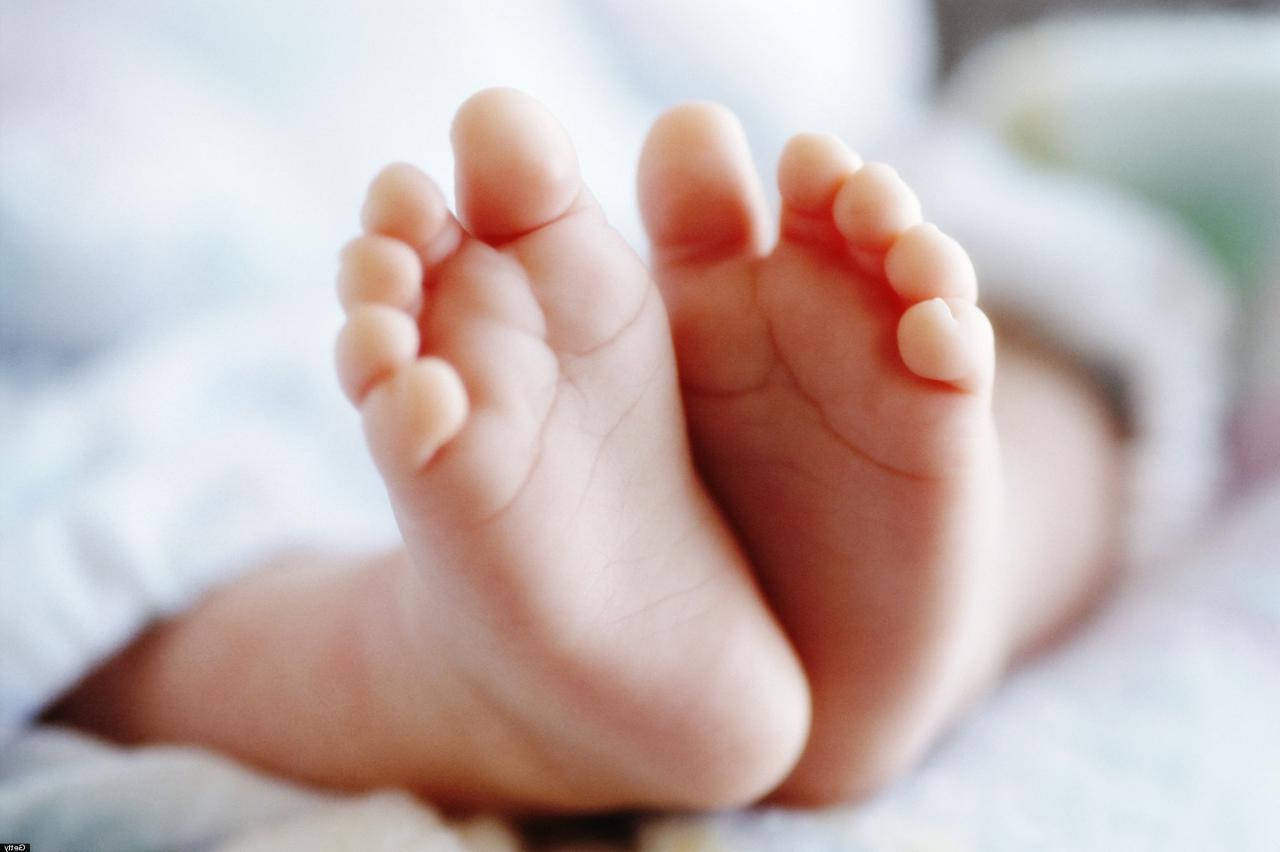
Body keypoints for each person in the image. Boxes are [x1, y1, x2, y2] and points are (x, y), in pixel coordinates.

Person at [50, 88, 1124, 812]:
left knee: (115, 568)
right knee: (1030, 379)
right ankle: (476, 674)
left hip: (162, 312)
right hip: (180, 299)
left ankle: (457, 680)